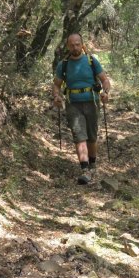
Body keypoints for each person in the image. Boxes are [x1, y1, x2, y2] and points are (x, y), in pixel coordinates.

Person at [52, 33, 112, 185]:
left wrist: (105, 92)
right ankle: (85, 170)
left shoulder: (91, 61)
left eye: (77, 44)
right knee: (79, 136)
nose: (75, 47)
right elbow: (56, 85)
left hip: (92, 102)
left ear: (82, 44)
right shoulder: (63, 64)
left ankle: (92, 165)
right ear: (68, 46)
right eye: (72, 45)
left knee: (91, 136)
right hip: (73, 104)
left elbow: (104, 79)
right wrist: (57, 97)